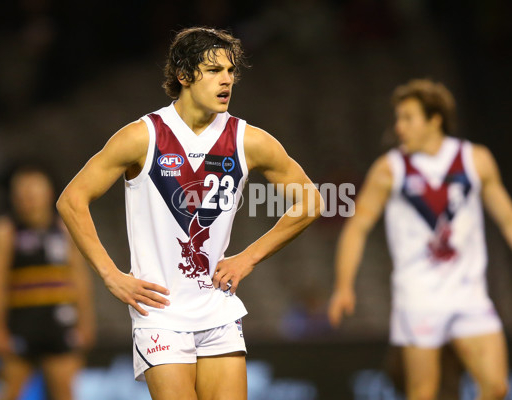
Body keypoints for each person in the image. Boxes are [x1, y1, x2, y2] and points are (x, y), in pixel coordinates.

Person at [56, 27, 322, 400]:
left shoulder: (249, 141)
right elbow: (71, 200)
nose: (226, 80)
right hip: (160, 313)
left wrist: (248, 257)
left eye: (230, 71)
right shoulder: (142, 136)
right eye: (214, 71)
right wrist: (110, 275)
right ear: (183, 75)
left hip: (217, 309)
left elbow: (311, 201)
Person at [328, 79, 512, 400]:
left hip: (470, 295)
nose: (399, 127)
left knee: (497, 387)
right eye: (398, 118)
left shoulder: (475, 160)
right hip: (418, 298)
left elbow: (510, 221)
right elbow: (357, 228)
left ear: (434, 119)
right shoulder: (389, 169)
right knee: (423, 394)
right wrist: (344, 285)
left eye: (408, 118)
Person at [0, 164, 96, 400]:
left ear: (49, 192)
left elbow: (79, 278)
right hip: (20, 324)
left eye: (34, 190)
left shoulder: (65, 228)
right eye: (22, 191)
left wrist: (85, 321)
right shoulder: (5, 230)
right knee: (10, 392)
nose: (28, 197)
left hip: (59, 323)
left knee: (64, 393)